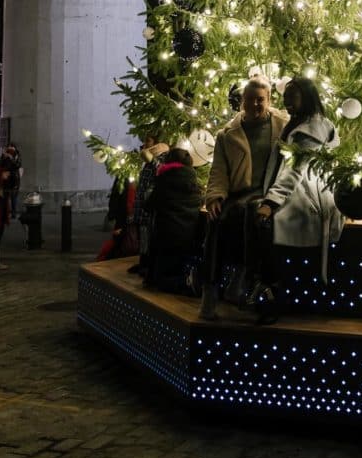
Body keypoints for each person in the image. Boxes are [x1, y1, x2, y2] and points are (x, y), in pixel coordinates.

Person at [245, 77, 343, 322]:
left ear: (307, 96)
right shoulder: (299, 122)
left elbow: (295, 171)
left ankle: (270, 292)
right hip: (296, 190)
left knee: (266, 223)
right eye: (285, 97)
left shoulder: (313, 128)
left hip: (310, 196)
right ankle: (261, 285)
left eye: (293, 97)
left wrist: (271, 202)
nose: (287, 102)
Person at [200, 76, 287, 319]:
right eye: (251, 100)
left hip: (270, 193)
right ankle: (210, 289)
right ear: (242, 102)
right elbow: (219, 170)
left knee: (253, 215)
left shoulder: (283, 125)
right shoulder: (227, 134)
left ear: (268, 100)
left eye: (261, 99)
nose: (256, 104)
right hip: (240, 194)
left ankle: (243, 282)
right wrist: (215, 196)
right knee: (216, 222)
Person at [146, 147, 203, 292]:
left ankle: (187, 283)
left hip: (165, 236)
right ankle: (187, 280)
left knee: (161, 279)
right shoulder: (194, 184)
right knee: (174, 269)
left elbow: (149, 204)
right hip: (187, 236)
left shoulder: (164, 180)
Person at [132, 137, 170, 275]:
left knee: (148, 237)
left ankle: (147, 266)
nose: (144, 144)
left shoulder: (162, 156)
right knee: (143, 238)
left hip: (150, 208)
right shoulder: (149, 159)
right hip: (143, 206)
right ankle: (143, 263)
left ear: (156, 143)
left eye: (148, 141)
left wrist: (150, 155)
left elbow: (160, 168)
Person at [0, 143, 23, 219]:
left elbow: (17, 165)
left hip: (15, 178)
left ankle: (14, 213)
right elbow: (1, 165)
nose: (10, 150)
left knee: (14, 197)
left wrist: (11, 158)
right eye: (9, 148)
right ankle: (5, 213)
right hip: (7, 178)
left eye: (12, 148)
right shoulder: (5, 155)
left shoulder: (17, 156)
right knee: (5, 196)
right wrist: (3, 157)